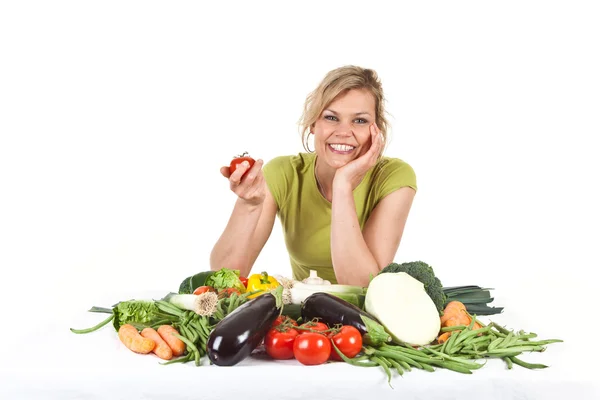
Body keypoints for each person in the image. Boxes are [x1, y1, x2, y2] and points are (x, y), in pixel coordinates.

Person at [210, 65, 417, 287]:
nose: (344, 132)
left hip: (363, 318)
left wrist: (342, 186)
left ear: (376, 130)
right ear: (312, 125)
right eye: (331, 117)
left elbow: (362, 286)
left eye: (359, 120)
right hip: (306, 317)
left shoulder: (394, 178)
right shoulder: (285, 173)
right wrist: (248, 205)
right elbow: (224, 278)